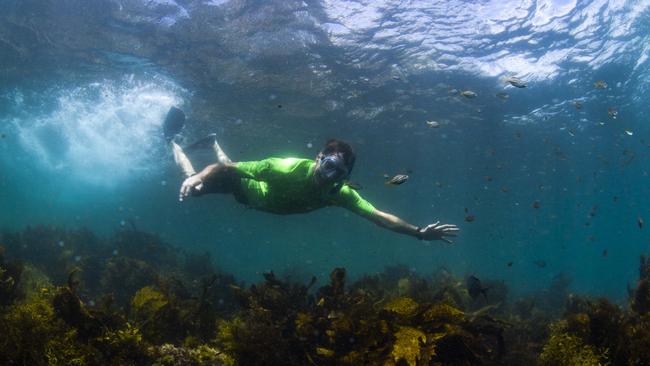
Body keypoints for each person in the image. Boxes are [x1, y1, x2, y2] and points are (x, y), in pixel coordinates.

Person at [170, 133, 459, 243]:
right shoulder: (285, 167)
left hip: (253, 200)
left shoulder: (340, 193)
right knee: (197, 184)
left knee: (233, 165)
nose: (330, 176)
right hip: (244, 189)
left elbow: (380, 217)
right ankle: (173, 141)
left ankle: (212, 141)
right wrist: (198, 178)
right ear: (318, 158)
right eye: (328, 166)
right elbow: (226, 170)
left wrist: (419, 234)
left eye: (339, 173)